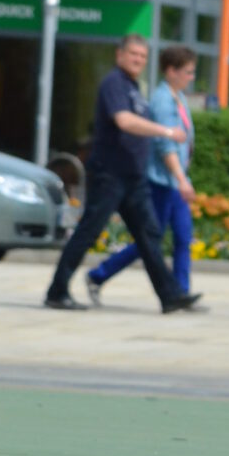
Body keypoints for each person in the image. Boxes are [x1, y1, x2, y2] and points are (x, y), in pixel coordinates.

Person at [44, 36, 201, 314]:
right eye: (133, 54)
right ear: (120, 55)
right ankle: (57, 290)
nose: (138, 59)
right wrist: (165, 131)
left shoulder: (134, 88)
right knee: (89, 231)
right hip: (110, 175)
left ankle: (170, 295)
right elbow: (124, 121)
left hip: (133, 178)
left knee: (149, 233)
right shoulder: (114, 84)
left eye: (142, 56)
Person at [86, 45, 197, 302]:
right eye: (188, 72)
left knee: (182, 235)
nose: (191, 77)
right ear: (171, 71)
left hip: (175, 180)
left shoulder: (178, 98)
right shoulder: (162, 99)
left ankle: (181, 291)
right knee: (149, 240)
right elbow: (166, 145)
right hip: (163, 181)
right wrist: (181, 180)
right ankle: (99, 274)